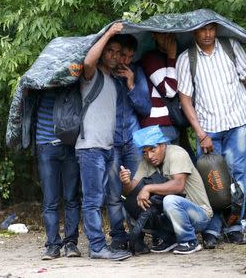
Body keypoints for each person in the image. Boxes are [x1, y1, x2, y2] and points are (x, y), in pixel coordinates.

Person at [176, 23, 246, 246]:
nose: (207, 34)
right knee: (210, 180)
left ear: (216, 30)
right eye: (202, 30)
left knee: (237, 175)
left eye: (211, 29)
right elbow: (185, 100)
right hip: (208, 129)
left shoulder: (231, 46)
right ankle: (212, 230)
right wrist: (200, 133)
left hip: (237, 122)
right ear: (193, 31)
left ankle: (234, 226)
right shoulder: (187, 58)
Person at [76, 22, 131, 261]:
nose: (115, 56)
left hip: (107, 149)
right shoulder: (92, 75)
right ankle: (97, 247)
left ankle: (104, 244)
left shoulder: (113, 81)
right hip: (90, 148)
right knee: (93, 200)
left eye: (118, 52)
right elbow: (88, 62)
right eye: (111, 51)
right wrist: (108, 33)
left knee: (110, 197)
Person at [119, 125, 213, 254]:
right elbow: (129, 192)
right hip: (173, 216)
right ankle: (170, 239)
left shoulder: (177, 154)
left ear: (163, 145)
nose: (150, 156)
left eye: (153, 149)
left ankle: (189, 241)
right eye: (145, 152)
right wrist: (126, 182)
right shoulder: (147, 161)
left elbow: (178, 186)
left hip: (200, 215)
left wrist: (148, 188)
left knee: (169, 200)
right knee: (129, 201)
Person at [106, 34, 151, 253]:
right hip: (110, 141)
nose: (125, 60)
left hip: (133, 139)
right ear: (114, 53)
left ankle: (137, 236)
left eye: (130, 56)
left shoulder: (136, 71)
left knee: (136, 188)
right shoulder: (104, 73)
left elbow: (145, 108)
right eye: (122, 55)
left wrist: (131, 83)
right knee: (114, 193)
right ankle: (117, 237)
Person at [35, 89, 81, 260]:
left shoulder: (71, 78)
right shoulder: (37, 82)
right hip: (45, 145)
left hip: (70, 144)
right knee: (50, 200)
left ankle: (71, 243)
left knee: (71, 197)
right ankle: (53, 245)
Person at [139, 32, 180, 141]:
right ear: (154, 35)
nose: (168, 38)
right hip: (156, 126)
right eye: (162, 34)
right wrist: (171, 56)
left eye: (170, 34)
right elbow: (169, 91)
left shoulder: (178, 58)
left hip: (172, 123)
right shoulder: (150, 58)